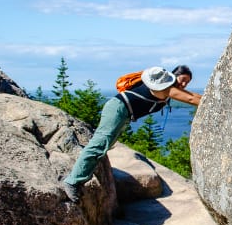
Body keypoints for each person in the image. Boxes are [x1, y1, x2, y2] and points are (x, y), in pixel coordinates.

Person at [62, 65, 200, 203]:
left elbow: (192, 95)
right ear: (173, 76)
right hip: (118, 110)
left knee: (103, 146)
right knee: (99, 145)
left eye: (187, 82)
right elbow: (191, 100)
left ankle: (79, 177)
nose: (184, 84)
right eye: (183, 80)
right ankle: (72, 182)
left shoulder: (166, 86)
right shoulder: (165, 88)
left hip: (121, 112)